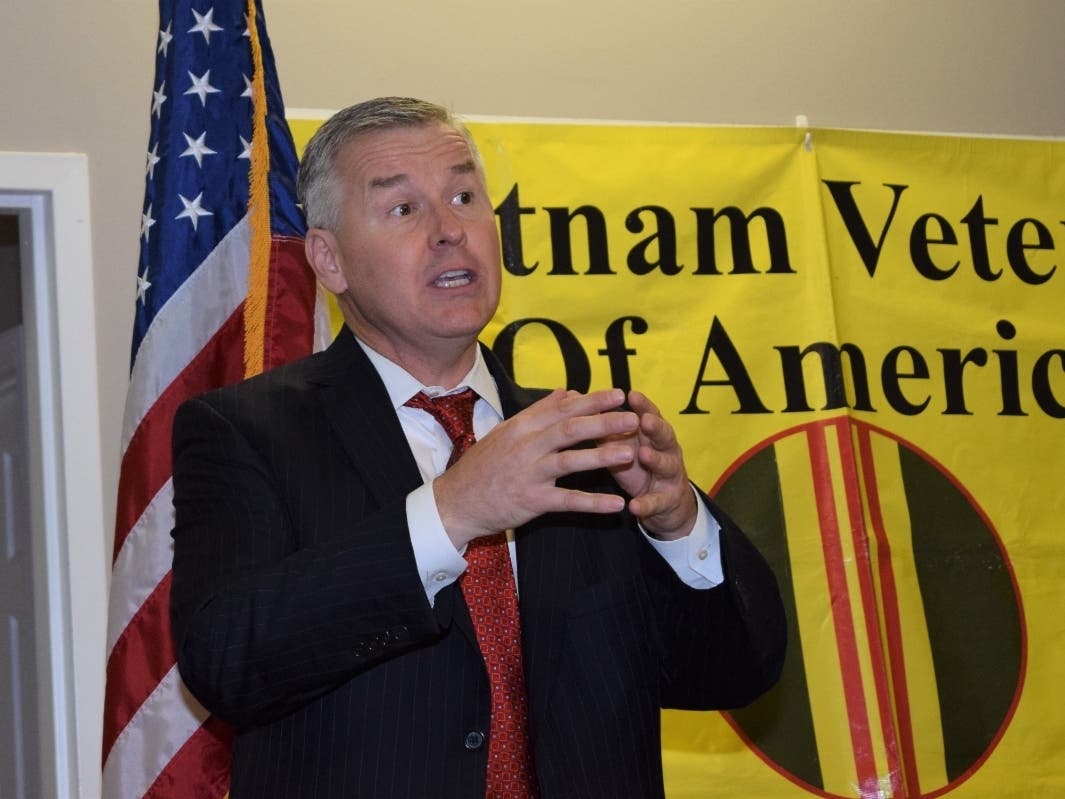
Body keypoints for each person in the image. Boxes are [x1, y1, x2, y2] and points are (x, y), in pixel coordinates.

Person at [169, 96, 786, 799]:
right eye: (403, 208)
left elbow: (734, 672)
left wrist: (677, 524)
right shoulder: (246, 431)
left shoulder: (582, 440)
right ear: (329, 259)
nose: (449, 231)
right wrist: (451, 511)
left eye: (464, 197)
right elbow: (227, 662)